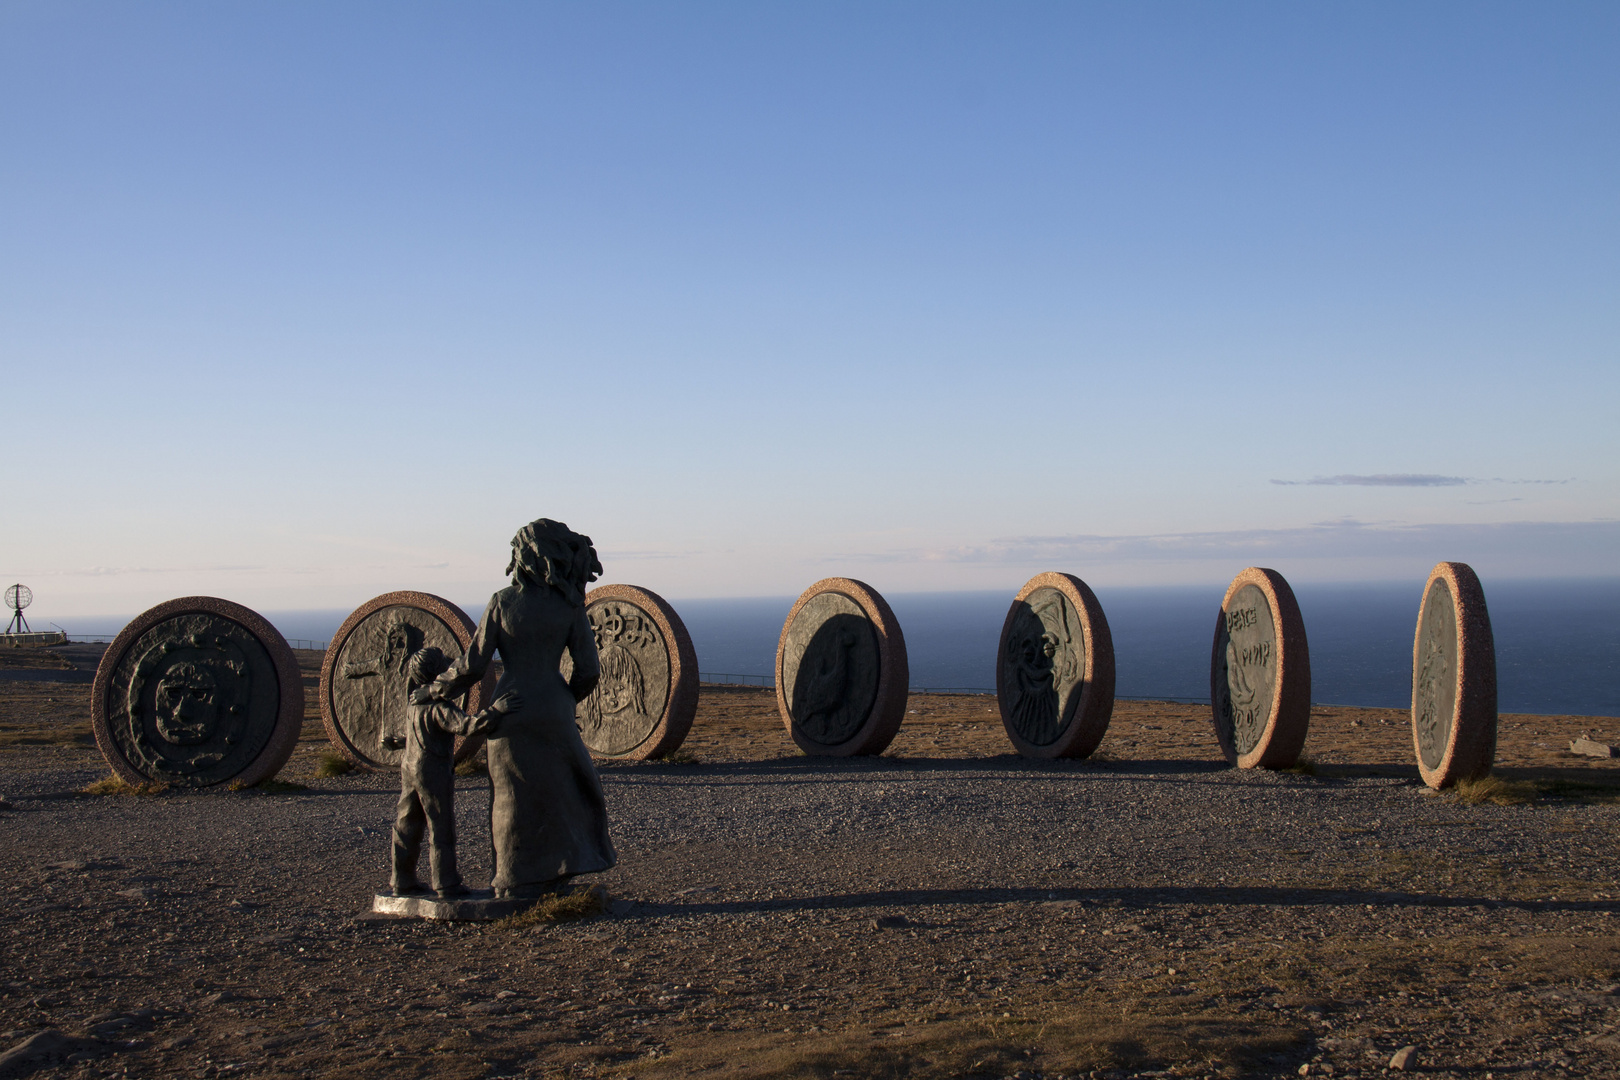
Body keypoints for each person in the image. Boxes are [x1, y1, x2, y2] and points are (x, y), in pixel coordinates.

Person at [427, 519, 617, 898]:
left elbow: (473, 665)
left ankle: (512, 880)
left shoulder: (503, 601)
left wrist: (435, 689)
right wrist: (563, 701)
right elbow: (589, 670)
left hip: (509, 706)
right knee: (561, 791)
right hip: (554, 704)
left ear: (526, 555)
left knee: (512, 797)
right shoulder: (569, 605)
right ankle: (559, 872)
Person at [392, 646, 518, 898]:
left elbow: (414, 733)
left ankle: (401, 880)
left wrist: (397, 741)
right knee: (440, 828)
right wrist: (497, 710)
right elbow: (467, 726)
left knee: (406, 825)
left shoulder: (414, 702)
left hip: (409, 769)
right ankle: (445, 884)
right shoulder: (440, 707)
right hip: (432, 770)